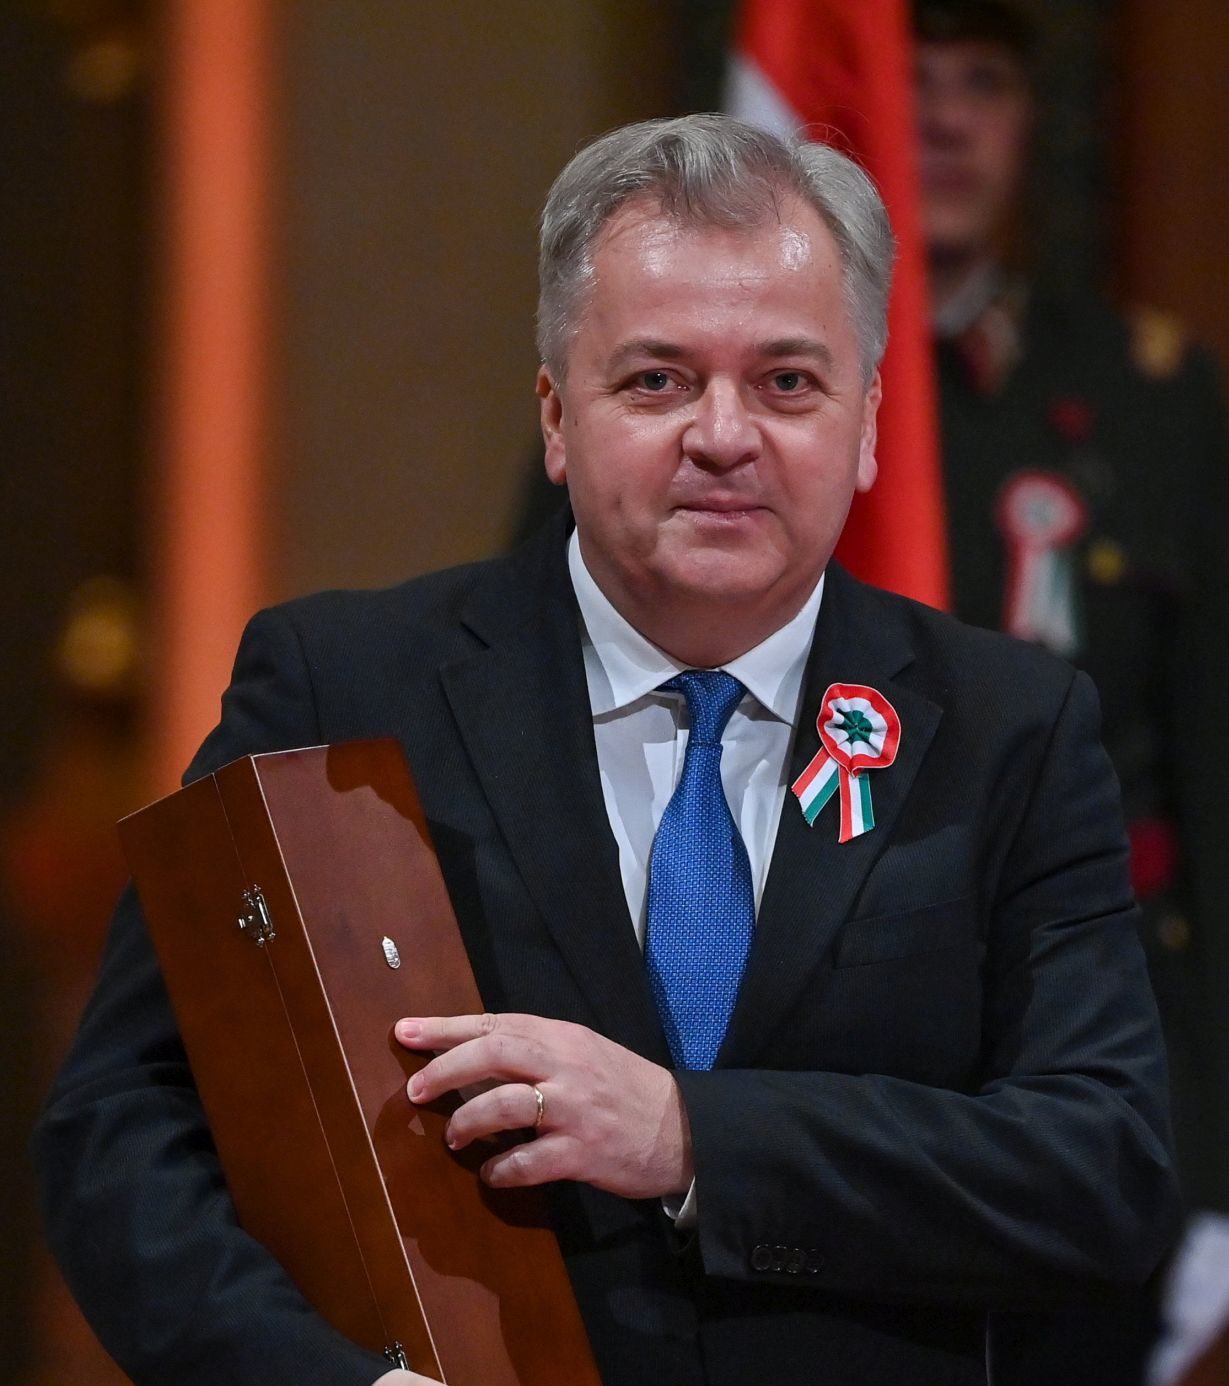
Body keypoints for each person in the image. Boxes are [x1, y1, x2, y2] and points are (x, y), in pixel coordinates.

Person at [35, 114, 1178, 1386]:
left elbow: (1103, 1167)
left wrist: (689, 1138)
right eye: (656, 381)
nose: (722, 435)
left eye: (785, 383)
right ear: (554, 417)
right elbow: (122, 1129)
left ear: (866, 424)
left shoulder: (1010, 726)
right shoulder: (340, 686)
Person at [914, 0, 1229, 1212]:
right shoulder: (748, 398)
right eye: (912, 82)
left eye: (981, 83)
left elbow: (1208, 758)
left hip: (1105, 1025)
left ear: (1030, 124)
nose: (943, 121)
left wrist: (1214, 1169)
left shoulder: (1148, 394)